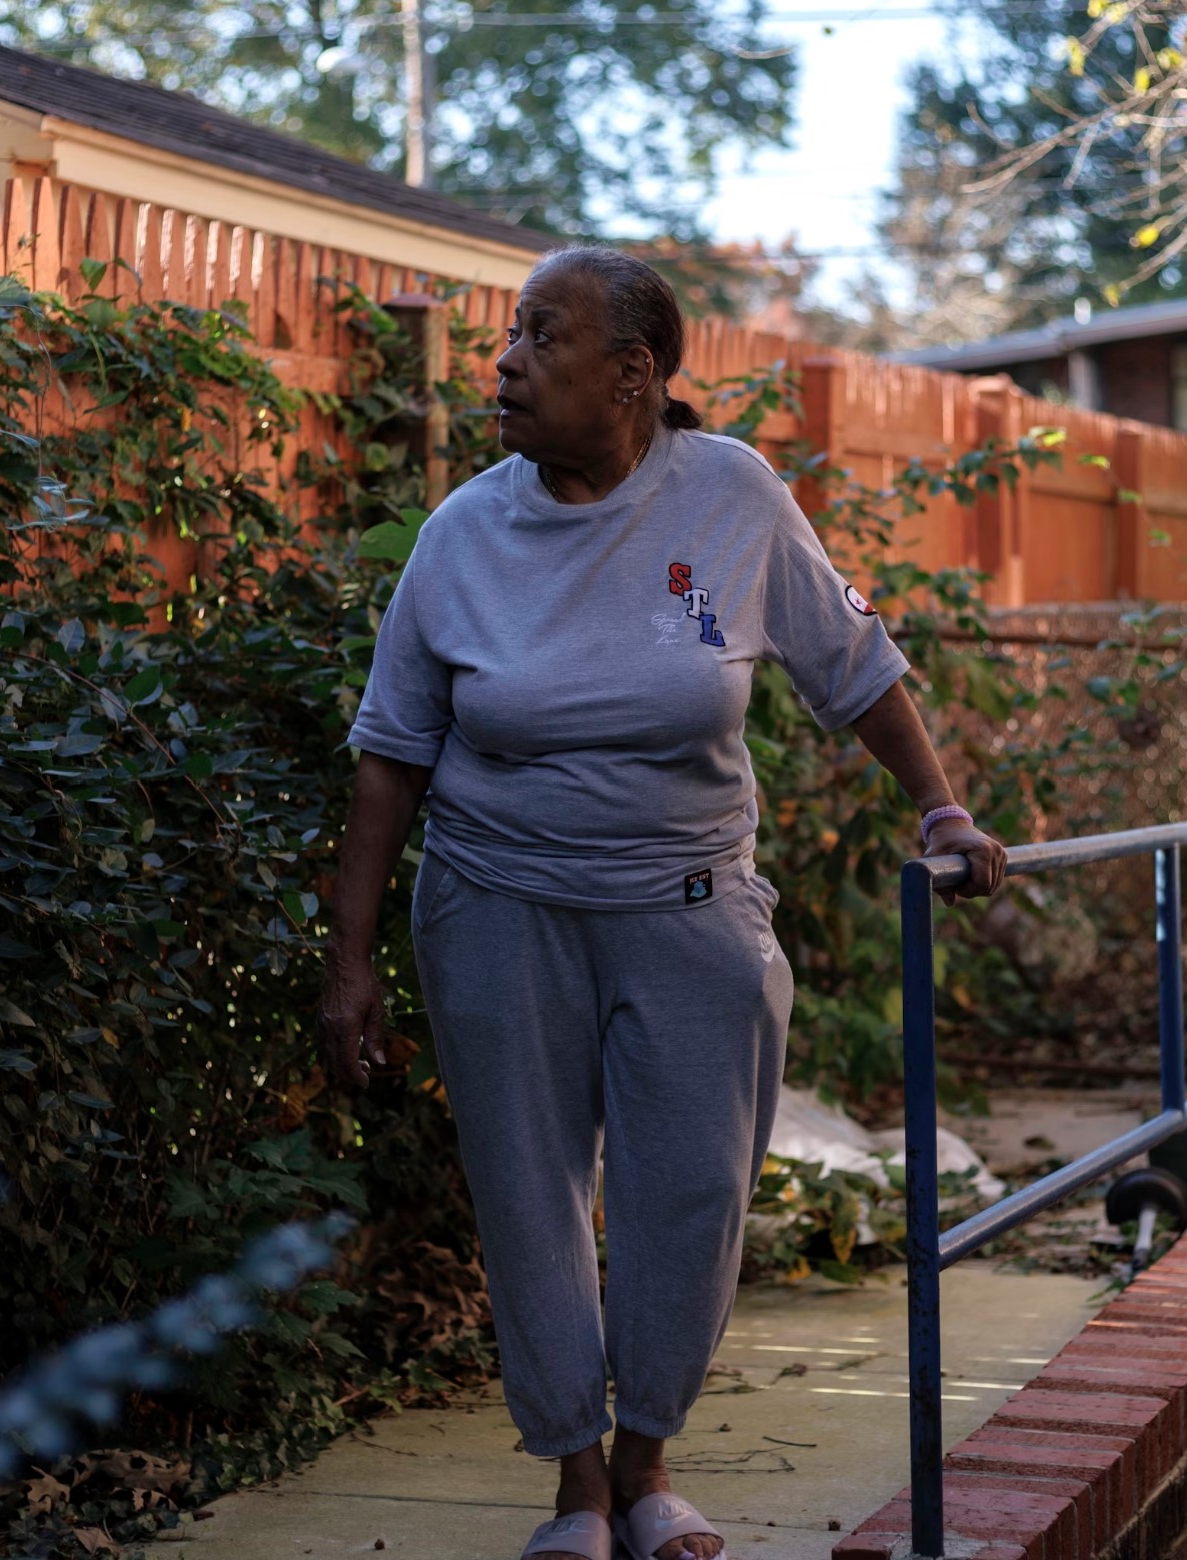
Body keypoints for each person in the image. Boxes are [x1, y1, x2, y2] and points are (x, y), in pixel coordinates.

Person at [319, 246, 1005, 1560]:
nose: (503, 359)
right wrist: (347, 965)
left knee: (691, 1194)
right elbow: (390, 752)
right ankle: (576, 1486)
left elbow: (848, 666)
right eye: (507, 333)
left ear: (630, 376)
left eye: (538, 335)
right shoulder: (465, 533)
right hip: (497, 909)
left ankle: (648, 1467)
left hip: (688, 907)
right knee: (527, 1194)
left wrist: (940, 807)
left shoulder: (730, 495)